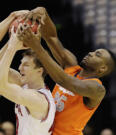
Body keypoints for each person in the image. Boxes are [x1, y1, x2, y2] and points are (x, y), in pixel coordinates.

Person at [17, 7, 116, 135]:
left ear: (102, 68)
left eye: (97, 55)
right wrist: (44, 14)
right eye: (93, 51)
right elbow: (52, 37)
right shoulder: (71, 65)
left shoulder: (97, 89)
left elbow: (63, 80)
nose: (91, 53)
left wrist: (36, 46)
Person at [0, 26, 56, 135]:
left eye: (26, 65)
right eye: (21, 63)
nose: (20, 68)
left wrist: (12, 48)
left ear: (39, 71)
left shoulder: (38, 99)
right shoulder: (23, 84)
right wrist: (11, 42)